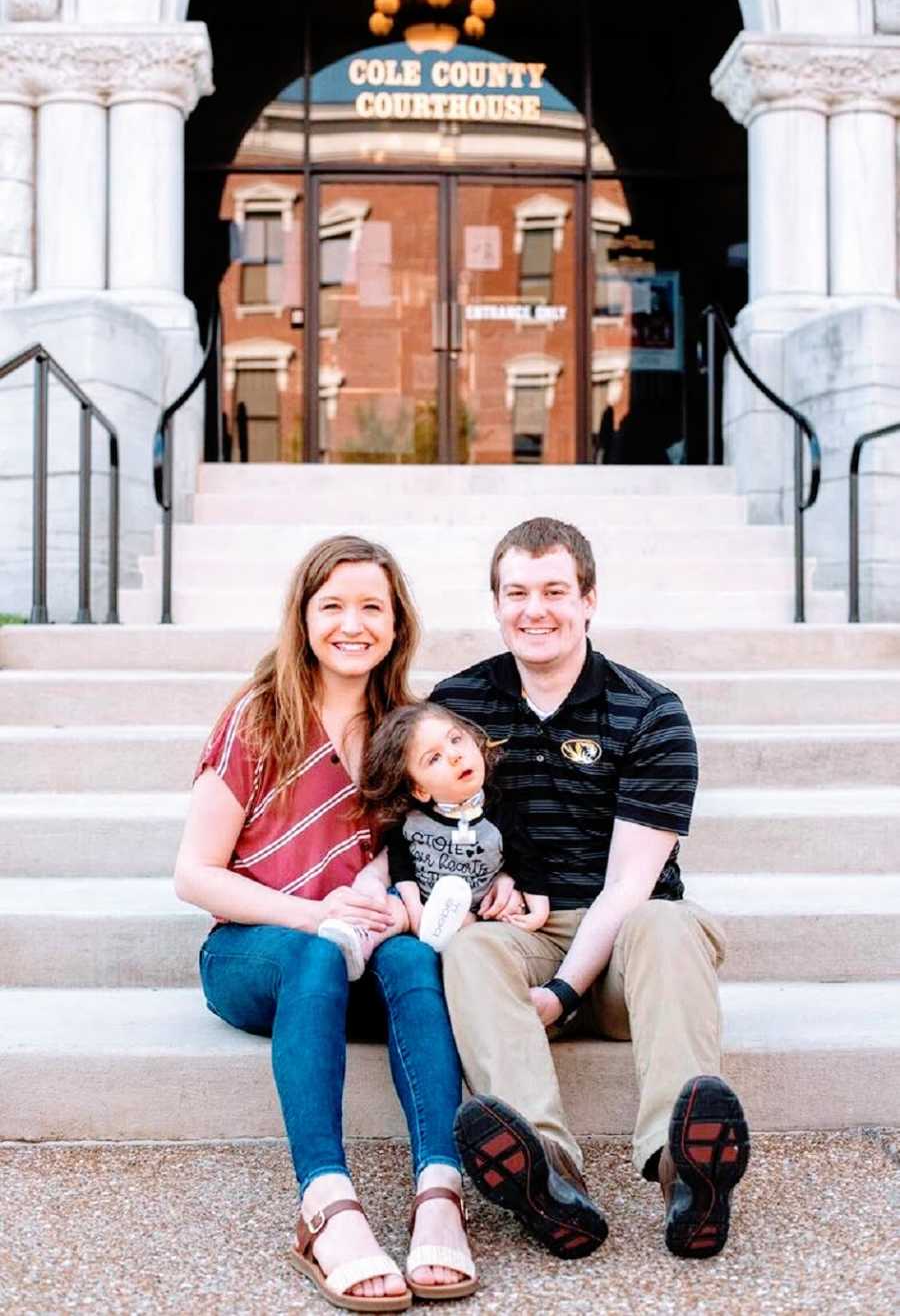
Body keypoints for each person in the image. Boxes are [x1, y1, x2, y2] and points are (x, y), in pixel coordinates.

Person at [431, 517, 749, 1262]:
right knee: (471, 949)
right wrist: (491, 875)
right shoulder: (458, 705)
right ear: (496, 602)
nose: (534, 609)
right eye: (516, 592)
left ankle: (688, 1173)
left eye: (553, 590)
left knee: (669, 922)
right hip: (526, 934)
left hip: (623, 949)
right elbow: (432, 823)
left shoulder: (651, 712)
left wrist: (565, 993)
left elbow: (629, 884)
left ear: (589, 599)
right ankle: (546, 1174)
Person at [174, 535, 477, 1312]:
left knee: (413, 962)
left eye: (372, 605)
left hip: (364, 954)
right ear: (303, 617)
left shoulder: (403, 730)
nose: (353, 623)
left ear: (396, 620)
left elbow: (435, 846)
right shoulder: (258, 717)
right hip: (254, 953)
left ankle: (440, 1188)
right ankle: (325, 1204)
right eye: (332, 605)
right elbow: (194, 875)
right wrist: (315, 911)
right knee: (313, 952)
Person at [356, 701, 549, 955]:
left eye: (456, 740)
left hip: (473, 912)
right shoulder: (412, 821)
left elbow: (526, 861)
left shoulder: (500, 816)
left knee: (475, 927)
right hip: (419, 901)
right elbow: (400, 863)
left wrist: (539, 911)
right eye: (434, 758)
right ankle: (356, 943)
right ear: (419, 789)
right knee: (390, 908)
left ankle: (443, 933)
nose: (454, 755)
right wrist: (415, 909)